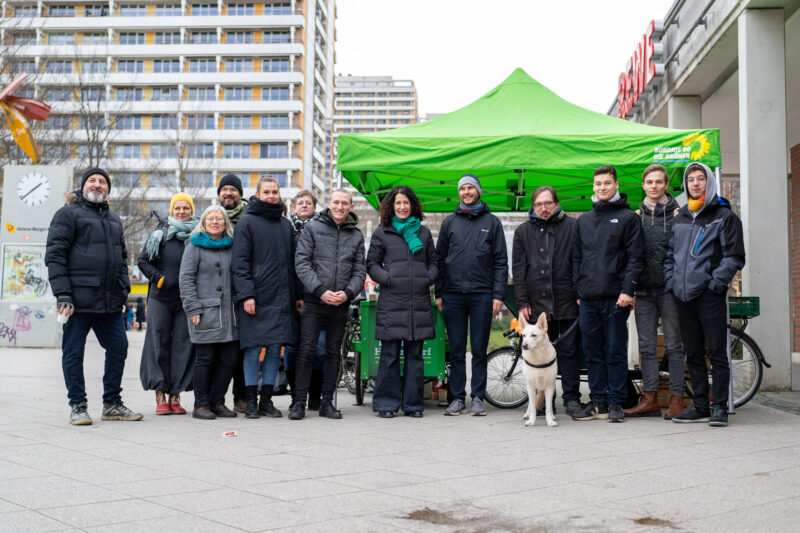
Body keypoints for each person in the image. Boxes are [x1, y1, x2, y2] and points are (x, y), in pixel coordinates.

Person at [45, 167, 142, 425]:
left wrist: (123, 291)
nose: (97, 185)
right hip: (76, 301)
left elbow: (122, 259)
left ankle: (112, 403)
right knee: (74, 353)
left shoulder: (114, 219)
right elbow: (55, 255)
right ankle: (78, 405)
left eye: (102, 181)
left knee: (119, 347)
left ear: (107, 188)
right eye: (92, 180)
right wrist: (63, 294)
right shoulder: (67, 214)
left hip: (109, 301)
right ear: (83, 185)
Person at [665, 162, 745, 427]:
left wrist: (715, 284)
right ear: (686, 185)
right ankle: (699, 405)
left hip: (709, 295)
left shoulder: (724, 216)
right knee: (693, 353)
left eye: (701, 179)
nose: (695, 183)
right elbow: (669, 257)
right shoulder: (680, 218)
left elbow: (734, 256)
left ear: (709, 182)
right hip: (683, 296)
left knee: (718, 354)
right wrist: (672, 282)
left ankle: (719, 406)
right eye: (691, 180)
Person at [571, 165, 645, 423]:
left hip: (616, 298)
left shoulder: (628, 218)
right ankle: (598, 400)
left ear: (616, 185)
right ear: (593, 186)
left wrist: (628, 290)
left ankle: (615, 401)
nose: (602, 187)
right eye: (598, 183)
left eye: (606, 183)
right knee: (591, 352)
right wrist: (578, 291)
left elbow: (636, 259)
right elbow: (576, 259)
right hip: (588, 299)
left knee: (614, 351)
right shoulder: (584, 220)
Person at [435, 174, 508, 416]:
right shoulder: (449, 223)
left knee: (478, 348)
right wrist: (439, 293)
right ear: (459, 193)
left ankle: (478, 396)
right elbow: (439, 261)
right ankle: (457, 398)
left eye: (470, 188)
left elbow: (500, 261)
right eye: (463, 188)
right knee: (456, 349)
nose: (466, 192)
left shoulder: (493, 222)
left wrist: (498, 295)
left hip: (482, 295)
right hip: (453, 295)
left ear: (478, 191)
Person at [291, 189, 366, 420]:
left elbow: (359, 270)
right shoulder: (313, 229)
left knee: (334, 354)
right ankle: (299, 403)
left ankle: (326, 403)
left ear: (351, 206)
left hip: (341, 303)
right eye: (337, 202)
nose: (340, 207)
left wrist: (348, 293)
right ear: (328, 204)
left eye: (345, 203)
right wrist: (321, 291)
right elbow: (302, 263)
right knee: (306, 351)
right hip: (315, 300)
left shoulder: (356, 235)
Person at [232, 176, 301, 419]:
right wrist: (247, 295)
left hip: (282, 297)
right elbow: (239, 263)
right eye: (267, 192)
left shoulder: (285, 225)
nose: (272, 196)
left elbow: (294, 263)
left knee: (274, 349)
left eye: (275, 192)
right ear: (258, 194)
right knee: (252, 349)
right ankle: (250, 401)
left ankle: (267, 401)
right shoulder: (247, 222)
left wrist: (298, 295)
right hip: (256, 297)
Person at [367, 186, 438, 418]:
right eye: (398, 203)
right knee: (389, 356)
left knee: (415, 357)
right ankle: (386, 405)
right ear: (391, 206)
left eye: (406, 203)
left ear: (412, 205)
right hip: (391, 302)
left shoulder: (424, 233)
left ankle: (413, 405)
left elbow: (434, 263)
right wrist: (386, 278)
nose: (402, 207)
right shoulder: (382, 233)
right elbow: (372, 264)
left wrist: (428, 278)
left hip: (418, 302)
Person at [512, 185, 582, 417]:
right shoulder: (523, 232)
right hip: (536, 303)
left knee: (569, 352)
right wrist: (522, 301)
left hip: (566, 300)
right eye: (538, 204)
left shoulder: (572, 227)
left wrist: (579, 293)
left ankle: (571, 399)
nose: (543, 208)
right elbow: (519, 269)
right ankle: (539, 402)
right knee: (535, 352)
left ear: (556, 203)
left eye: (547, 203)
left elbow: (579, 263)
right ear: (533, 207)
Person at [624, 165, 685, 420]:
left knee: (674, 346)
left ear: (666, 185)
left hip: (669, 290)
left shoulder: (679, 214)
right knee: (647, 347)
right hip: (644, 292)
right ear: (643, 185)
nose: (654, 186)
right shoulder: (635, 216)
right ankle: (649, 399)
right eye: (649, 182)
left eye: (659, 182)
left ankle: (677, 399)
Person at [138, 192, 199, 415]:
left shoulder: (196, 235)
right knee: (158, 343)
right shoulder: (159, 234)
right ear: (172, 210)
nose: (182, 211)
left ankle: (176, 396)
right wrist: (159, 278)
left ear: (192, 210)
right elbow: (143, 261)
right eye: (178, 208)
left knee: (183, 346)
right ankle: (160, 395)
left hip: (186, 301)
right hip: (160, 298)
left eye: (186, 208)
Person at [179, 205, 239, 420]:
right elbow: (185, 278)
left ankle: (218, 401)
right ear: (203, 223)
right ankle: (201, 404)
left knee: (229, 358)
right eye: (211, 219)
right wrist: (192, 307)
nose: (215, 222)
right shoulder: (194, 246)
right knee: (205, 358)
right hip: (205, 312)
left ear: (225, 224)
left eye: (219, 219)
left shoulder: (232, 246)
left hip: (230, 314)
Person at [284, 190, 326, 409]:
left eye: (308, 203)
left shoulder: (322, 228)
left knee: (318, 347)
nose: (304, 206)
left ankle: (316, 397)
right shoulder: (285, 229)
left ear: (314, 206)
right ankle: (295, 397)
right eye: (300, 203)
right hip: (290, 298)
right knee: (292, 348)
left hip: (316, 296)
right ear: (294, 206)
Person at [217, 173, 248, 413]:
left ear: (240, 193)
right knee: (218, 349)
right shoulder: (213, 218)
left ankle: (241, 397)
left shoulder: (249, 217)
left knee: (242, 347)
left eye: (233, 189)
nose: (228, 193)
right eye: (224, 189)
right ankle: (214, 398)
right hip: (218, 293)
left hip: (244, 291)